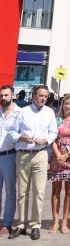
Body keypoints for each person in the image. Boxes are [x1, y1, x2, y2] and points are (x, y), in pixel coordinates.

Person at [10, 84, 58, 240]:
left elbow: (54, 132)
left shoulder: (49, 112)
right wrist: (21, 137)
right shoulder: (23, 112)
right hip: (23, 155)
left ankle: (35, 225)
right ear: (33, 96)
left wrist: (46, 139)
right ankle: (21, 224)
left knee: (39, 192)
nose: (43, 98)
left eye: (45, 96)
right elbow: (12, 132)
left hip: (41, 155)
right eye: (40, 95)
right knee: (22, 192)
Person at [48, 94, 70, 234]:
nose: (68, 106)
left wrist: (66, 155)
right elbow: (52, 138)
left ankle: (65, 221)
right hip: (57, 158)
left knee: (69, 190)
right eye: (66, 103)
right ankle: (55, 221)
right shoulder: (56, 119)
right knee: (56, 190)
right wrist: (58, 156)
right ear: (61, 104)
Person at [0, 85, 21, 236]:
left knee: (10, 192)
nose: (3, 98)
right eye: (1, 96)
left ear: (12, 95)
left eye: (6, 95)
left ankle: (7, 223)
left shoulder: (20, 113)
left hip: (10, 156)